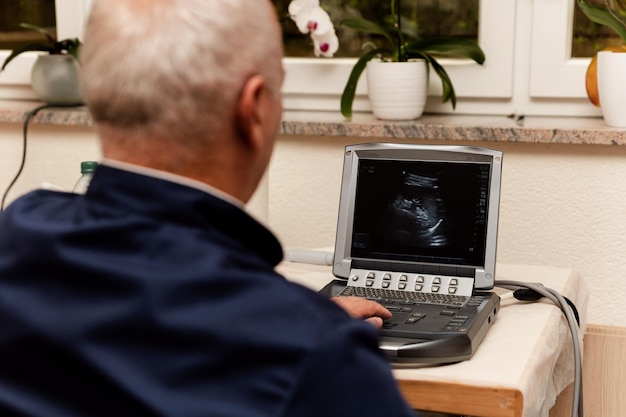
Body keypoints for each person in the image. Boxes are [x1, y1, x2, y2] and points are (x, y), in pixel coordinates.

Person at [0, 0, 418, 416]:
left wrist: (289, 313)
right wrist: (301, 324)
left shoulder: (17, 233)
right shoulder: (322, 362)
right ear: (253, 109)